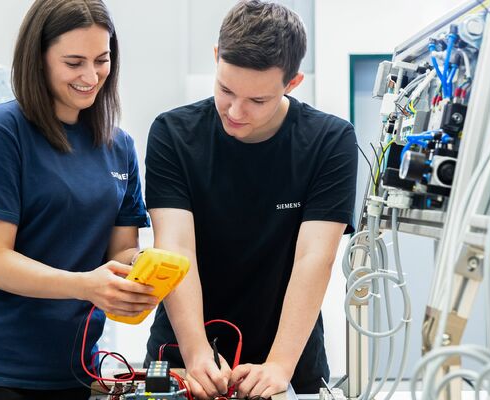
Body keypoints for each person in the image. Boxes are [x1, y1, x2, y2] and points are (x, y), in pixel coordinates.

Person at [0, 1, 157, 399]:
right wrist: (86, 285)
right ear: (39, 58)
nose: (91, 76)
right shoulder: (1, 133)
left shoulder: (119, 147)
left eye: (101, 60)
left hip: (71, 369)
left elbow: (121, 253)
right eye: (74, 63)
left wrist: (144, 271)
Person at [143, 1, 358, 398]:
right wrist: (195, 352)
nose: (236, 111)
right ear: (216, 57)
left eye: (257, 101)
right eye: (225, 89)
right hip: (184, 356)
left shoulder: (330, 142)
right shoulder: (173, 134)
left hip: (288, 361)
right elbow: (174, 249)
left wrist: (279, 364)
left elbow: (315, 257)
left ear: (292, 83)